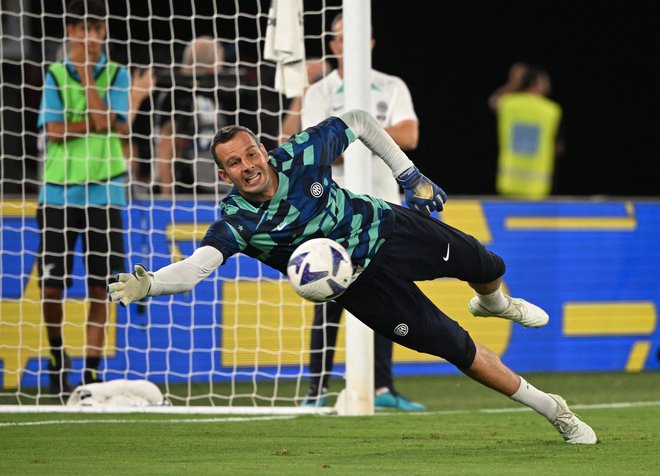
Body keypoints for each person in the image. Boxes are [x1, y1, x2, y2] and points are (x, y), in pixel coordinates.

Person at [108, 108, 597, 445]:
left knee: (489, 267)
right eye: (234, 164)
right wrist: (152, 283)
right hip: (362, 287)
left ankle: (496, 302)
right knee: (457, 348)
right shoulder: (237, 222)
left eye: (250, 153)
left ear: (262, 148)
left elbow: (360, 121)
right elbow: (197, 268)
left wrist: (409, 176)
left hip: (387, 228)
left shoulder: (299, 154)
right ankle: (556, 411)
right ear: (224, 176)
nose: (248, 166)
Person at [298, 13, 422, 410]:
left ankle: (383, 390)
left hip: (384, 206)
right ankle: (316, 391)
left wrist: (352, 132)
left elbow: (411, 134)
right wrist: (373, 133)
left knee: (387, 295)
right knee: (328, 293)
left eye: (350, 36)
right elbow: (316, 150)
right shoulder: (319, 92)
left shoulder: (391, 85)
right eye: (337, 37)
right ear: (332, 45)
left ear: (369, 42)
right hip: (332, 210)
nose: (344, 42)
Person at [37, 0, 131, 395]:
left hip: (106, 192)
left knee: (102, 286)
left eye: (97, 28)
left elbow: (116, 125)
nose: (91, 36)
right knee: (51, 285)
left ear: (104, 30)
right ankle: (58, 353)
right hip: (59, 193)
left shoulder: (117, 73)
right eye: (83, 28)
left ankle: (91, 370)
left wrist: (91, 84)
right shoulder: (55, 74)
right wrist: (96, 120)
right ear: (72, 32)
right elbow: (55, 131)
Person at [155, 36, 229, 196]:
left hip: (213, 185)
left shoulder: (223, 94)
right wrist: (167, 194)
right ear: (212, 65)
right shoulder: (177, 95)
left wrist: (166, 194)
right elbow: (167, 144)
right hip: (193, 187)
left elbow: (165, 144)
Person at [489, 63, 564, 198]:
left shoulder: (509, 104)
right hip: (538, 186)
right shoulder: (552, 110)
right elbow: (557, 146)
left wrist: (513, 84)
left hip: (509, 182)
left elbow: (493, 101)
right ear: (537, 83)